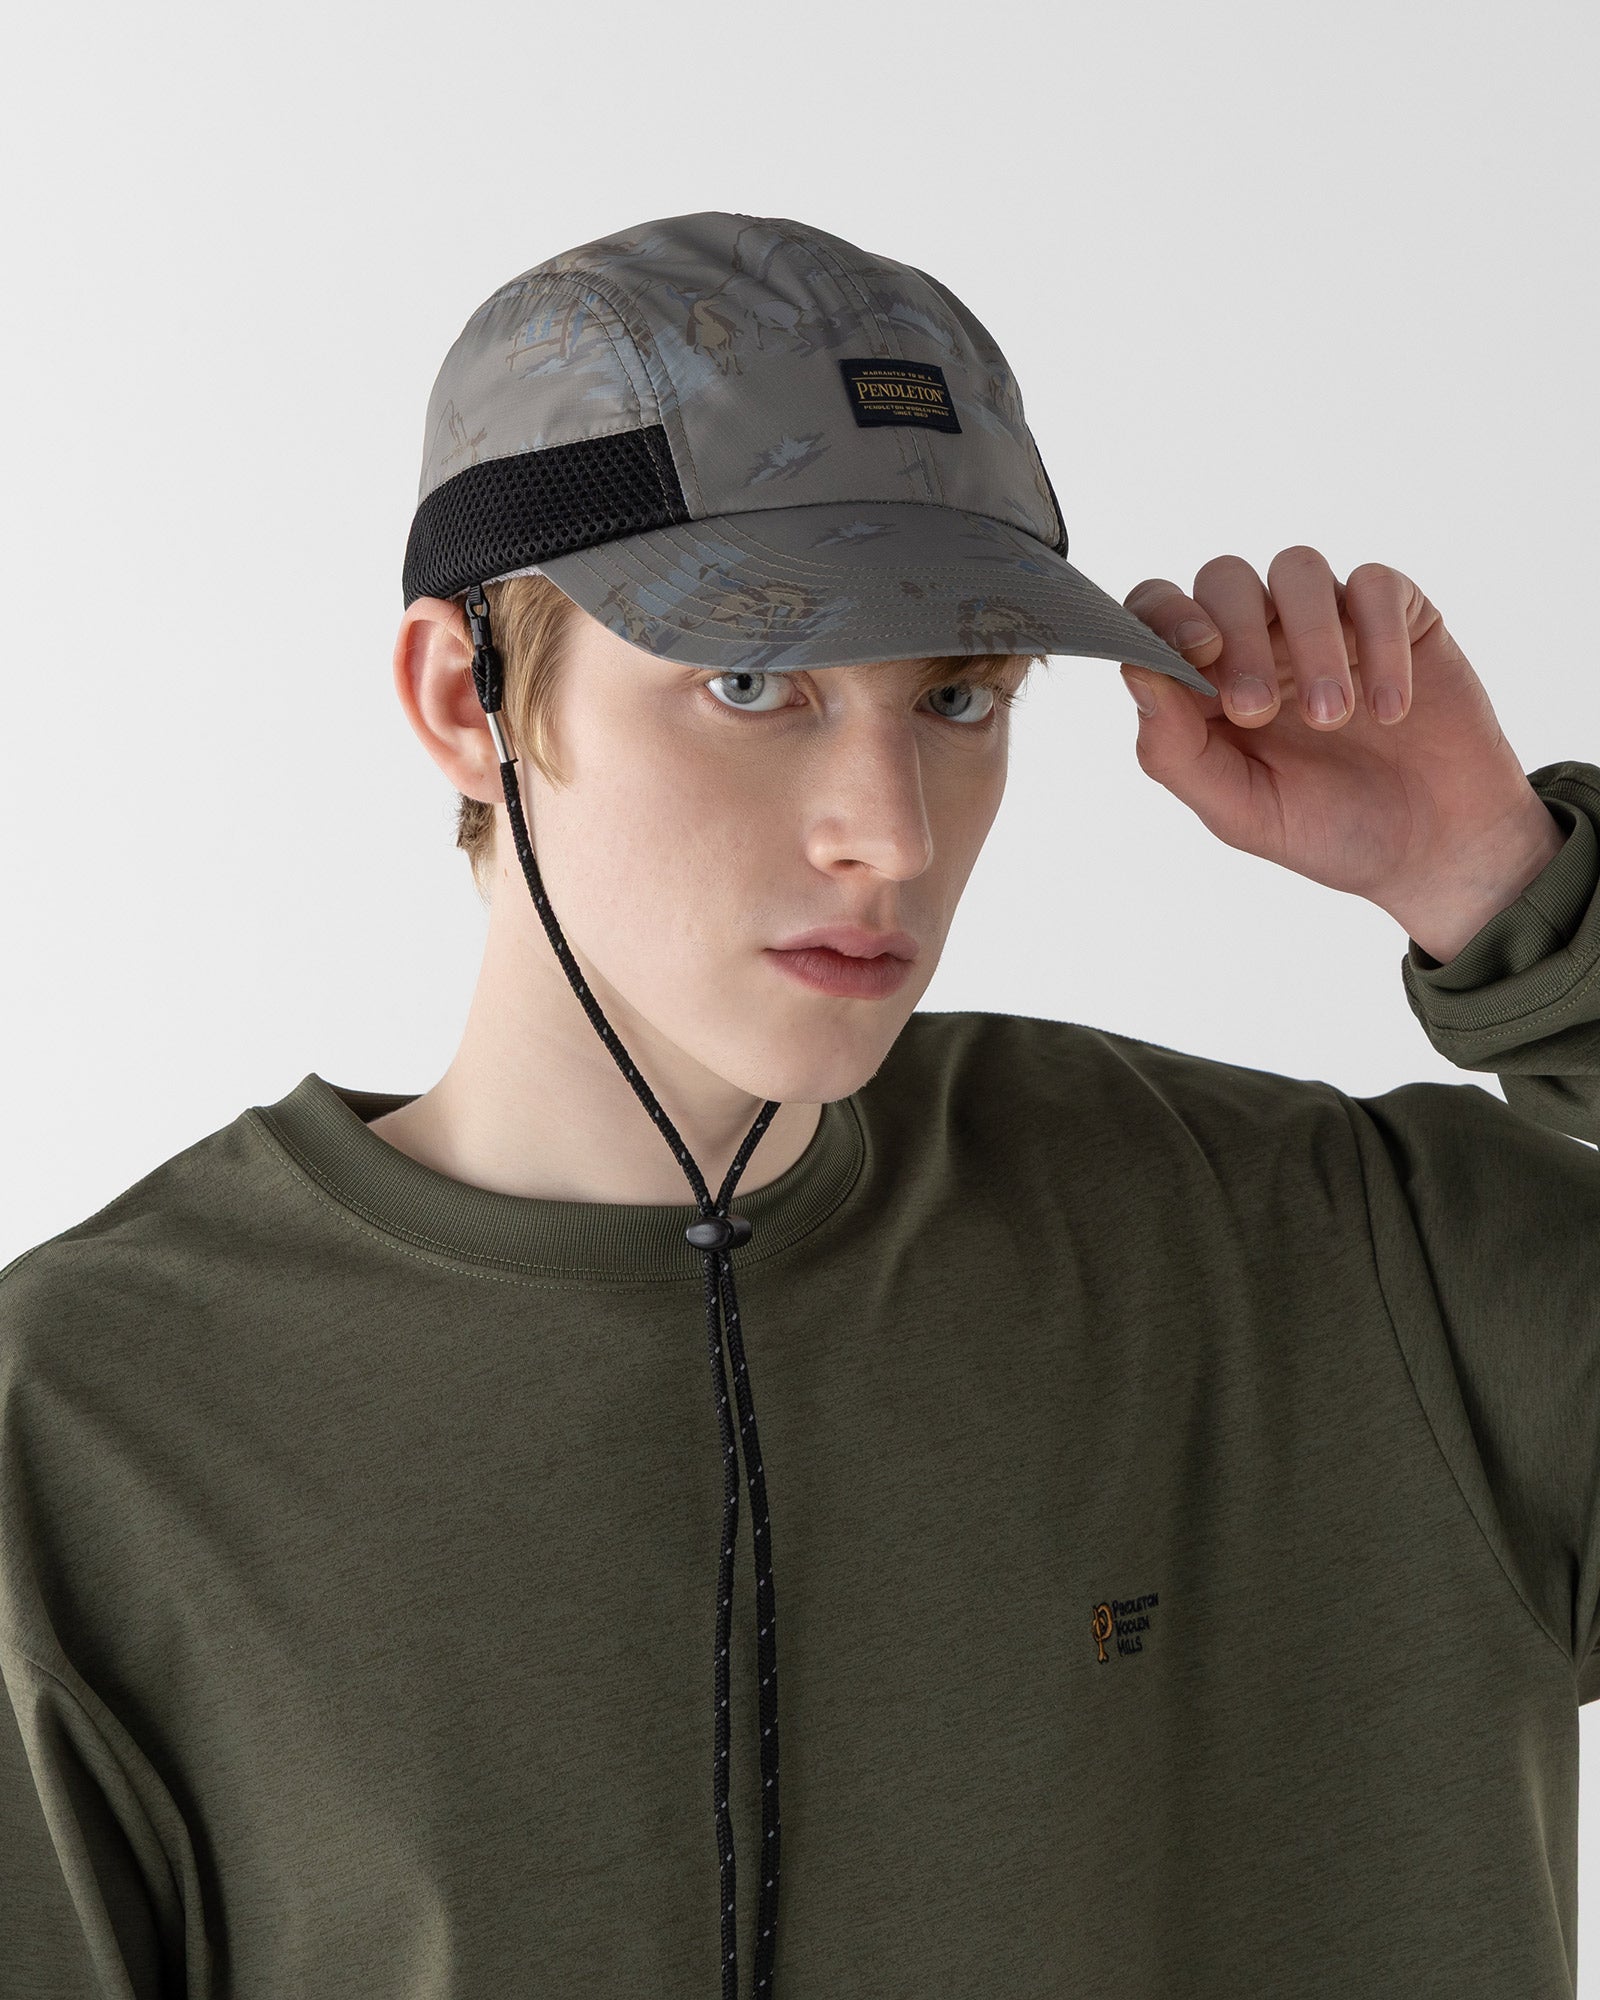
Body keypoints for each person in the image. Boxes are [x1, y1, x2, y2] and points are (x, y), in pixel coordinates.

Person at [2, 209, 1596, 1999]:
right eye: (753, 682)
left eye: (960, 695)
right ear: (468, 702)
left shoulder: (1340, 1262)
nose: (890, 832)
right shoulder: (92, 1429)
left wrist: (1508, 890)